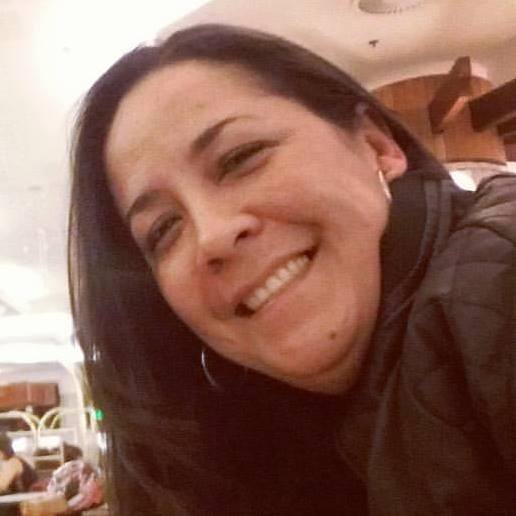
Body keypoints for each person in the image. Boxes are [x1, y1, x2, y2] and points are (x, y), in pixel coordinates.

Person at [68, 24, 516, 515]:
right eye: (163, 230)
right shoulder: (264, 436)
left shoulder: (496, 283)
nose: (212, 236)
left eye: (240, 158)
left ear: (377, 147)